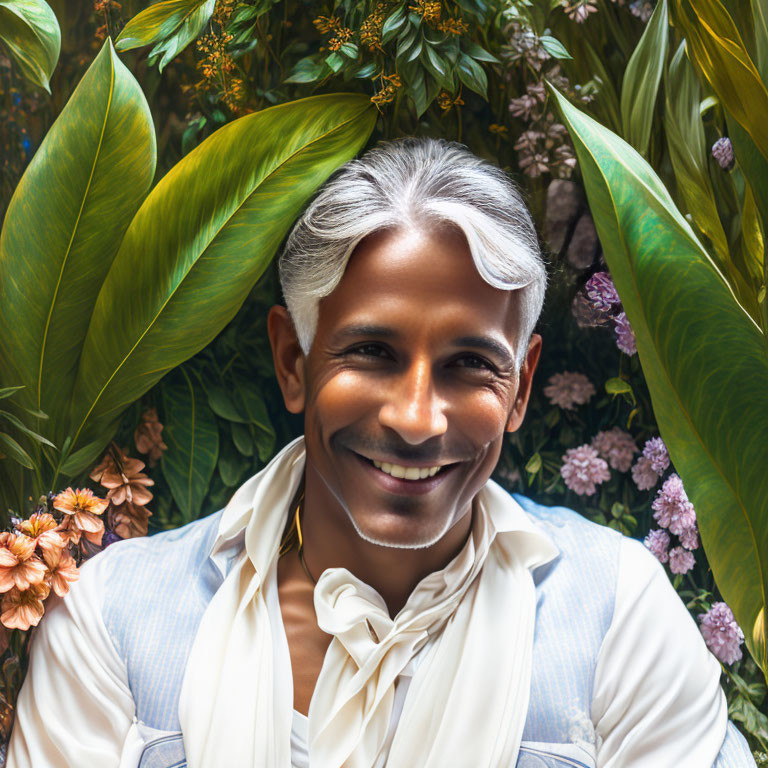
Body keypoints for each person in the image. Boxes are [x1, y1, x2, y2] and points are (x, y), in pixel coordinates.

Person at [7, 138, 756, 768]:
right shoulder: (118, 623)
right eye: (371, 352)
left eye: (470, 364)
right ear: (293, 362)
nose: (417, 418)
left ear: (522, 387)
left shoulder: (615, 616)